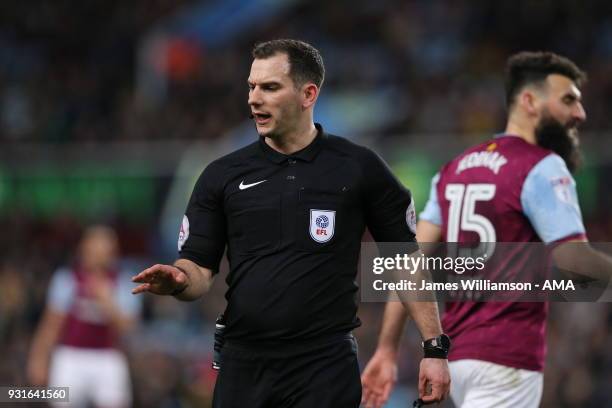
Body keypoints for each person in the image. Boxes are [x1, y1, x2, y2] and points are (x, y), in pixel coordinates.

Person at [131, 39, 450, 407]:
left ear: (308, 94)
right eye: (252, 87)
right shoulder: (221, 174)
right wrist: (179, 280)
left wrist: (434, 348)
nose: (254, 99)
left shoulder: (359, 168)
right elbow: (199, 269)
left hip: (325, 366)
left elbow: (404, 261)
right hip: (244, 365)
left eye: (270, 87)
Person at [361, 51, 612, 408]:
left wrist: (386, 349)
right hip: (506, 360)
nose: (579, 113)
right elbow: (574, 259)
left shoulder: (454, 169)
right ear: (529, 102)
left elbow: (407, 261)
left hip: (461, 360)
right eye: (568, 100)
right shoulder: (541, 166)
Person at [27, 225, 141, 408]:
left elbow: (129, 327)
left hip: (108, 357)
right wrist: (39, 358)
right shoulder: (67, 279)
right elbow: (52, 323)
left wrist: (108, 303)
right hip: (70, 356)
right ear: (84, 249)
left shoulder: (123, 282)